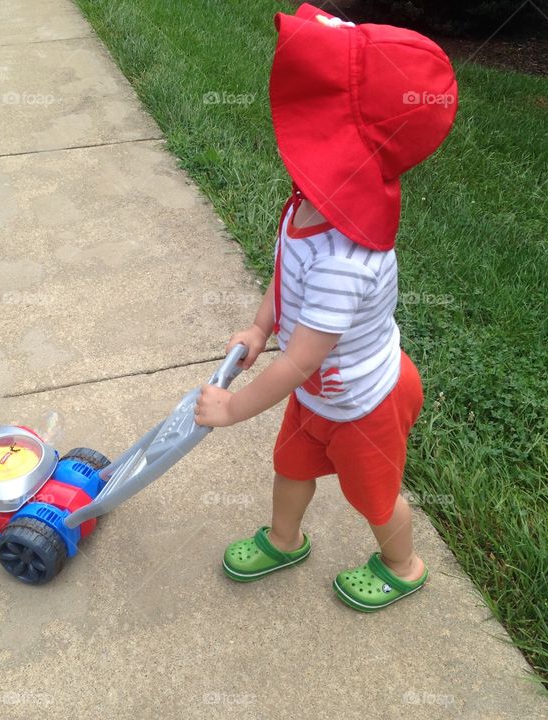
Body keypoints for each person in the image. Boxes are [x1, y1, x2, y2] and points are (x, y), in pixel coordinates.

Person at [194, 3, 458, 612]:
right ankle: (285, 540)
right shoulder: (307, 206)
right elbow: (286, 279)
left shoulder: (348, 260)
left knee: (376, 497)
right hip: (320, 398)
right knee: (291, 466)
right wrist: (262, 326)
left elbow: (301, 363)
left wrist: (234, 407)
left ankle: (403, 564)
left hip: (363, 403)